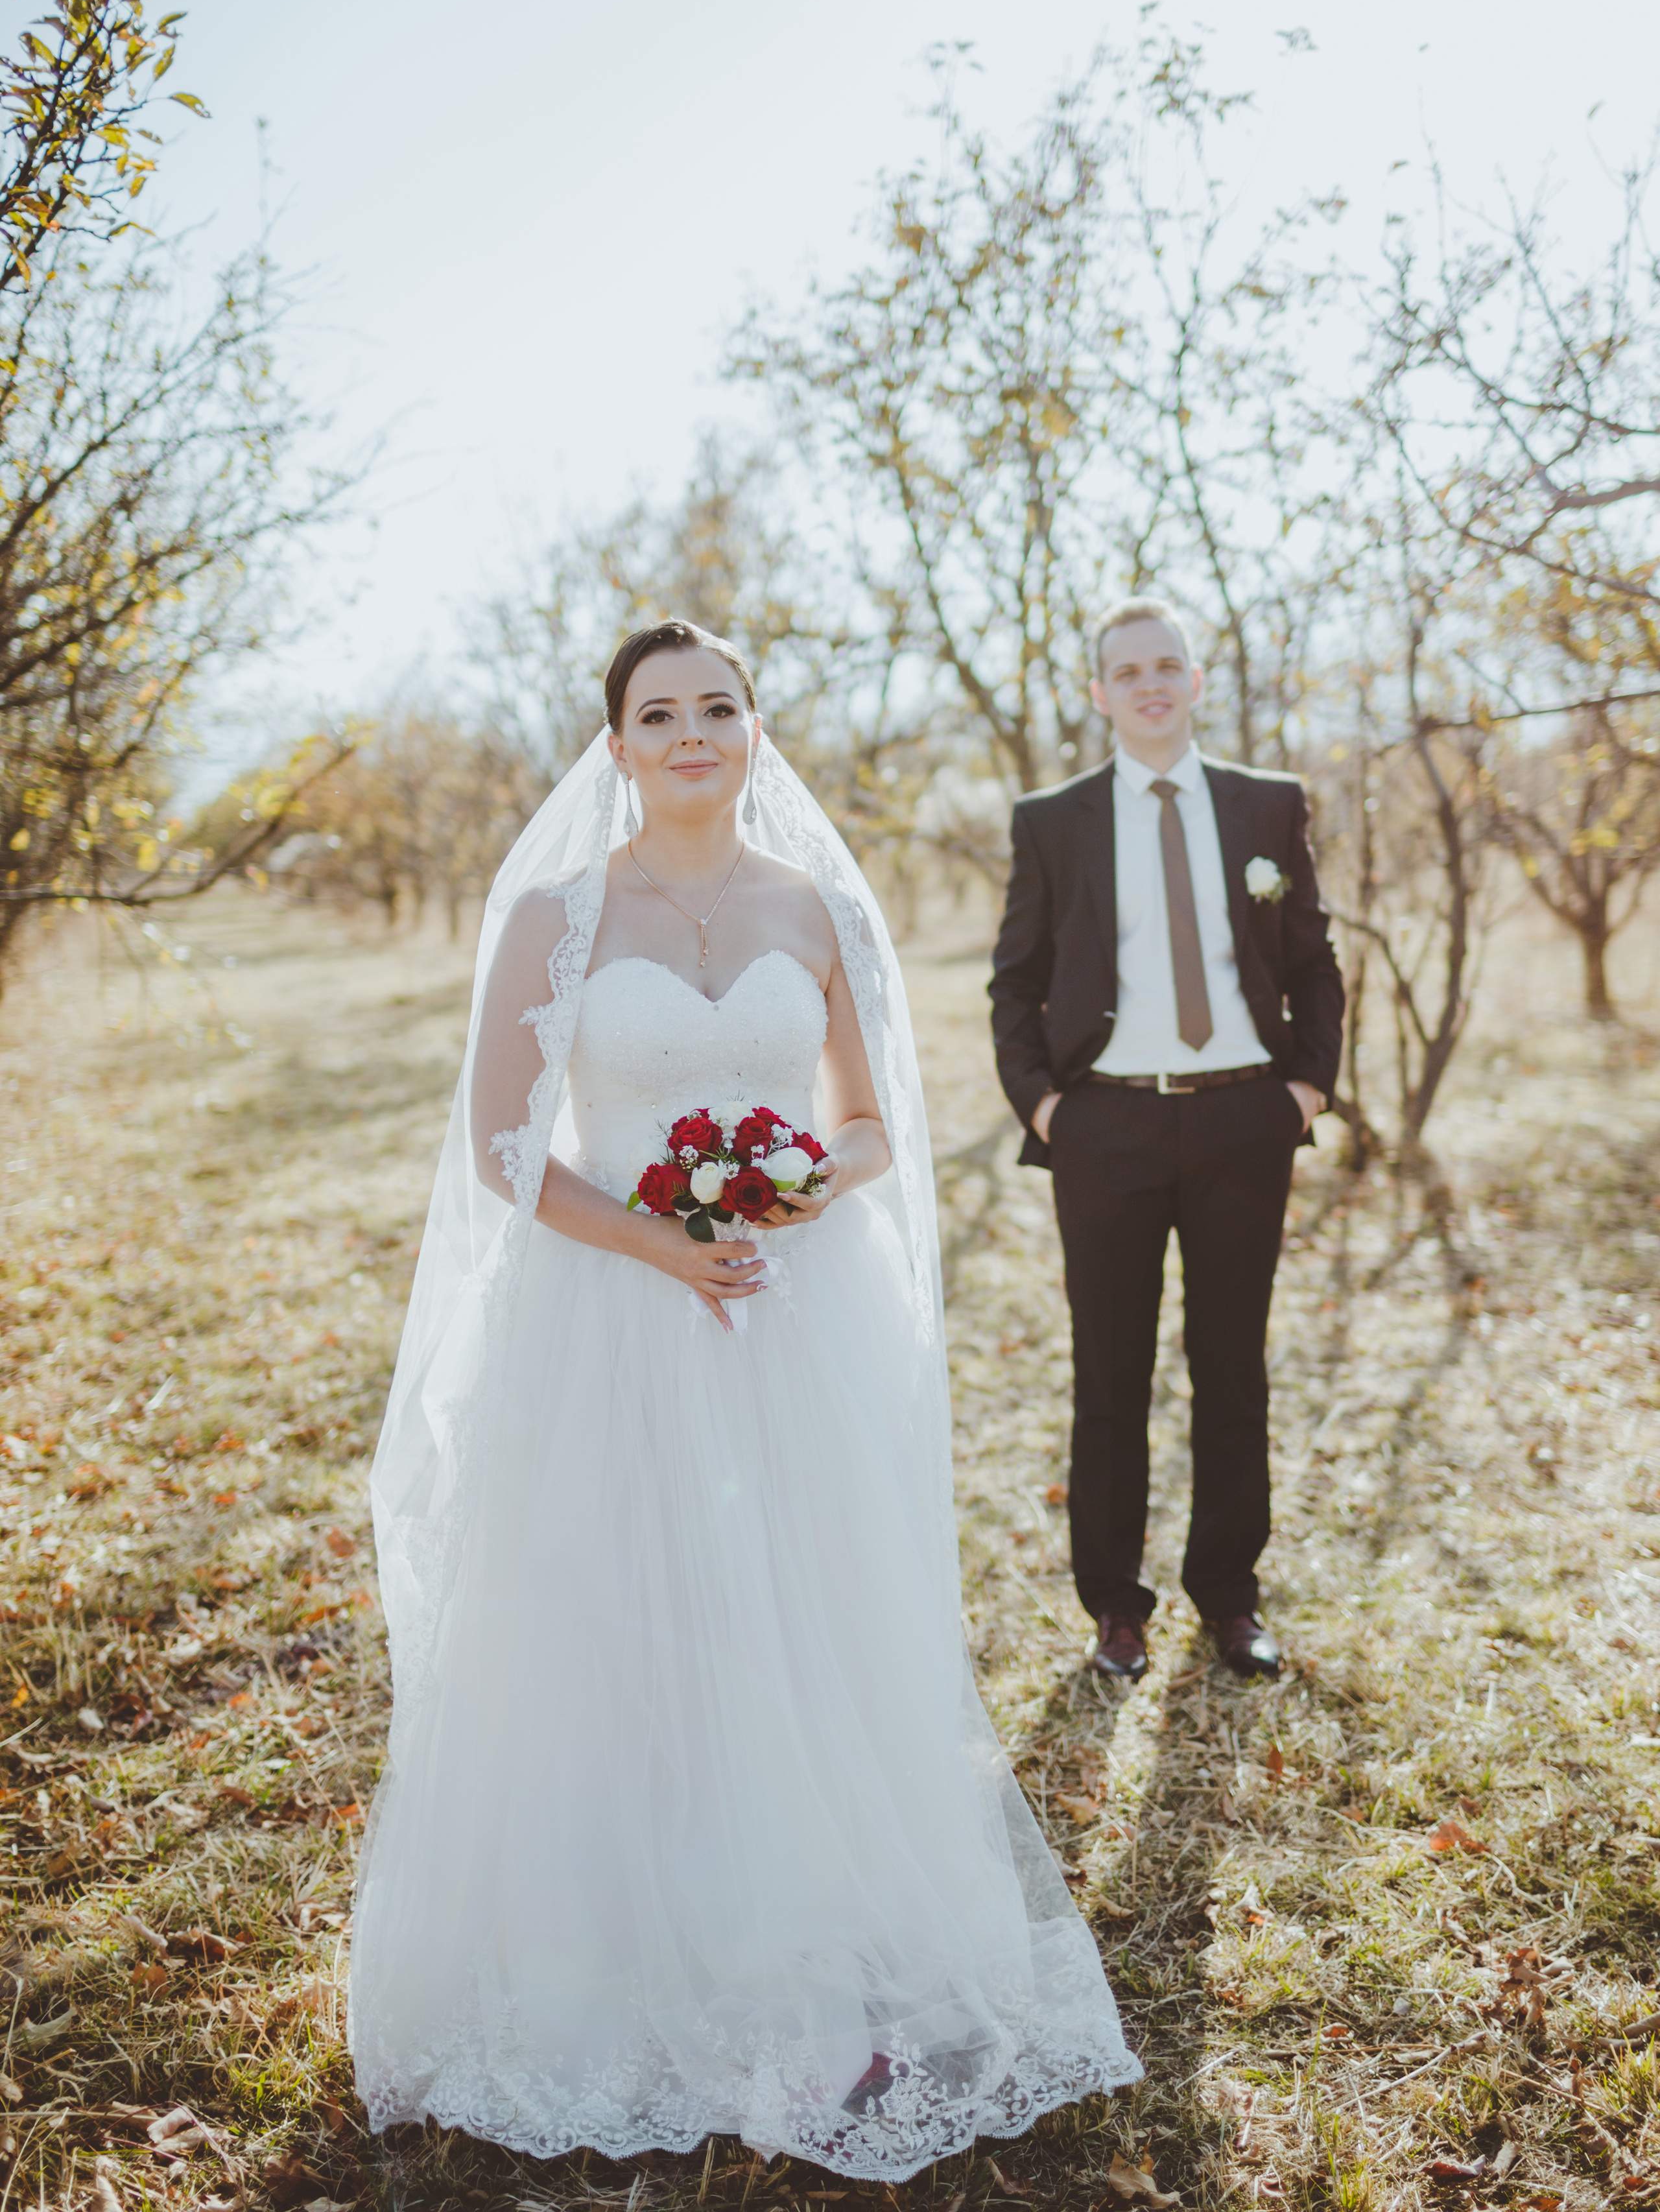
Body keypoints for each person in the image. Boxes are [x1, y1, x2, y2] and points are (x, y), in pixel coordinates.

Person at [349, 619, 1140, 2182]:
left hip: (793, 1307)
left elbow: (870, 1128)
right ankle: (621, 1950)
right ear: (617, 748)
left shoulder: (813, 906)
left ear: (756, 731)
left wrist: (791, 1190)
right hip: (609, 1314)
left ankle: (810, 1948)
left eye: (719, 706)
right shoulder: (558, 915)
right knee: (620, 1614)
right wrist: (664, 1244)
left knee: (803, 1611)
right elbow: (504, 1145)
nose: (692, 732)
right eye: (659, 714)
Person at [988, 599, 1345, 1685]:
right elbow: (1015, 981)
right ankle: (1115, 1607)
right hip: (1107, 1126)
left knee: (1232, 1366)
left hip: (1245, 1117)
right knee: (1111, 1373)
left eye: (1167, 666)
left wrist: (1306, 1092)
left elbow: (1314, 959)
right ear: (1100, 693)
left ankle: (1229, 1597)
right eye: (1128, 671)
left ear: (1195, 680)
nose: (1150, 684)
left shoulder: (1268, 804)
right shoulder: (1053, 821)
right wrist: (1046, 1110)